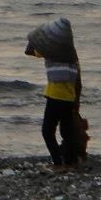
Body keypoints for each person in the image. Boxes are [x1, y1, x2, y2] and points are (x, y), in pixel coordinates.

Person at [25, 17, 82, 172]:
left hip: (54, 97)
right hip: (69, 99)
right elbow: (79, 83)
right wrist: (77, 103)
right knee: (67, 132)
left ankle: (58, 163)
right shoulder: (74, 59)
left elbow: (28, 50)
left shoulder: (50, 53)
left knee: (47, 131)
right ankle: (70, 163)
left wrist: (38, 37)